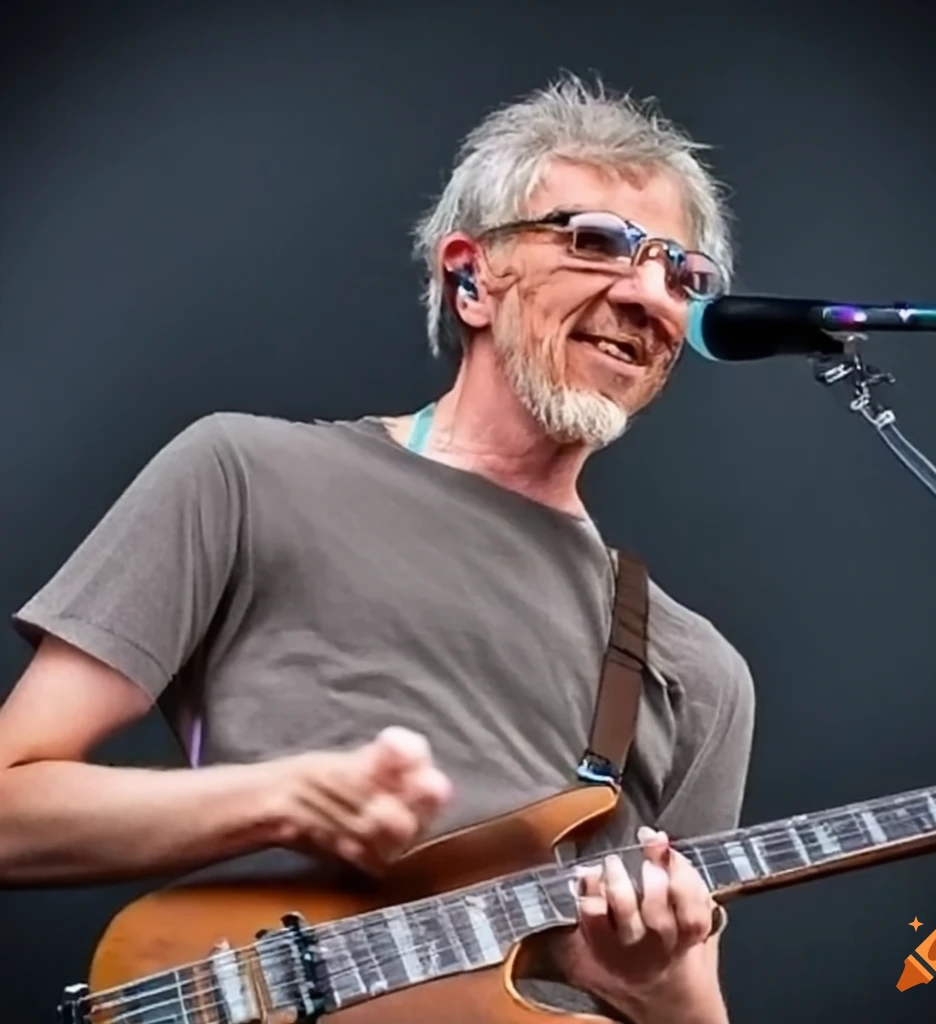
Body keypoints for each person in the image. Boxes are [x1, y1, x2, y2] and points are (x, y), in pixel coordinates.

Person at [0, 75, 754, 1024]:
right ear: (473, 277)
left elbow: (686, 996)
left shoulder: (699, 672)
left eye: (682, 275)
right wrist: (284, 800)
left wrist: (666, 990)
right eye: (596, 242)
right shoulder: (244, 470)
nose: (649, 295)